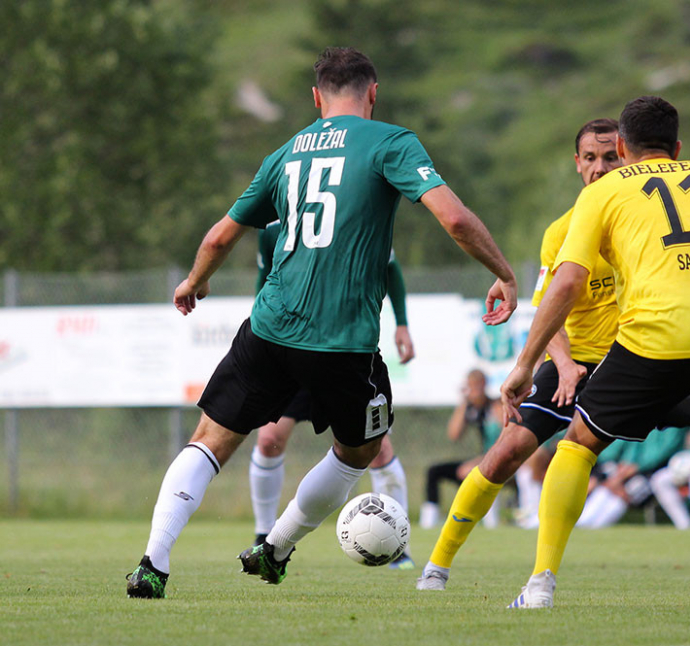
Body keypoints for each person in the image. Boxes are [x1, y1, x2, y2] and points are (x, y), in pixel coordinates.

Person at [126, 47, 517, 599]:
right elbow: (452, 217)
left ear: (316, 98)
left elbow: (219, 236)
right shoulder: (391, 142)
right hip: (342, 341)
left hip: (270, 326)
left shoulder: (285, 152)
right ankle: (276, 547)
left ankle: (153, 562)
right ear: (373, 93)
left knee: (211, 441)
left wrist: (196, 280)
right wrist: (502, 271)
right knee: (361, 449)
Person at [415, 117, 690, 591]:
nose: (600, 168)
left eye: (609, 156)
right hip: (579, 363)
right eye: (590, 158)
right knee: (506, 453)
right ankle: (437, 567)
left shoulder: (635, 208)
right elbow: (552, 302)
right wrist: (560, 363)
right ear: (576, 164)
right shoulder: (563, 230)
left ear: (624, 153)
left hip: (646, 358)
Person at [249, 223, 416, 569]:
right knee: (268, 439)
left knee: (377, 447)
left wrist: (402, 323)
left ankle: (400, 544)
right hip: (291, 349)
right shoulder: (272, 227)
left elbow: (391, 268)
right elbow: (265, 281)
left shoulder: (355, 211)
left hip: (341, 351)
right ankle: (264, 534)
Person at [420, 369, 503, 528]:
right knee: (434, 471)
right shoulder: (470, 408)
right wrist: (464, 402)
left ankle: (489, 522)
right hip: (480, 459)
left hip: (498, 460)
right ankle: (428, 521)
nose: (475, 390)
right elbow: (454, 435)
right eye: (471, 386)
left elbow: (504, 437)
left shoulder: (495, 406)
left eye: (477, 385)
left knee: (472, 471)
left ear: (484, 385)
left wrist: (481, 460)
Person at [576, 427, 686, 529]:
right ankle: (583, 523)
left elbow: (663, 453)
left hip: (653, 472)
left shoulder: (673, 427)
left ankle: (597, 527)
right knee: (609, 481)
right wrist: (622, 473)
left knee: (630, 490)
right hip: (630, 469)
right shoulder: (645, 422)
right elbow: (633, 449)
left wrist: (636, 468)